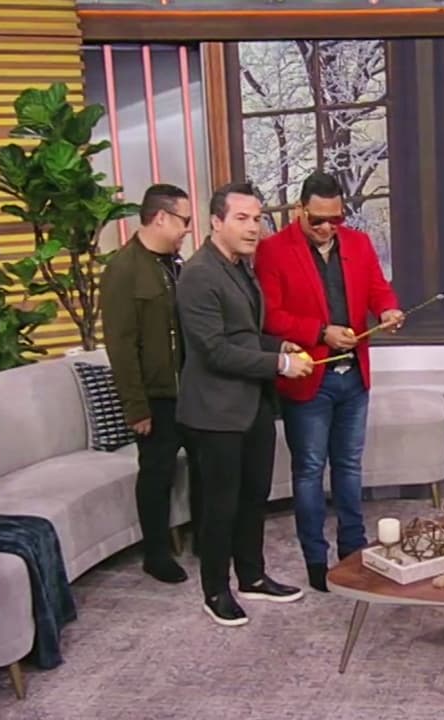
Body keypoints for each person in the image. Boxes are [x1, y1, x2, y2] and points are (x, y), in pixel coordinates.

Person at [255, 172, 403, 593]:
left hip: (354, 376)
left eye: (335, 219)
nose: (326, 228)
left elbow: (378, 289)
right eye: (317, 219)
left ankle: (352, 552)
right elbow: (271, 317)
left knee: (350, 467)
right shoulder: (273, 251)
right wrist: (321, 333)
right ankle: (316, 560)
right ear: (300, 210)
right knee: (309, 471)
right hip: (309, 378)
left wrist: (388, 310)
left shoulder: (358, 243)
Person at [176, 181, 313, 627]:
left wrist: (278, 344)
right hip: (215, 411)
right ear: (216, 222)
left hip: (252, 404)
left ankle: (252, 577)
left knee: (255, 497)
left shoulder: (240, 267)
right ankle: (216, 590)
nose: (254, 227)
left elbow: (244, 334)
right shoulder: (199, 274)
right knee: (221, 506)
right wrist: (280, 363)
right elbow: (214, 350)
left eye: (257, 219)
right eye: (242, 218)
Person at [102, 183, 203, 584]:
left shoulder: (176, 264)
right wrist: (136, 407)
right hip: (157, 398)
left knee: (204, 466)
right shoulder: (124, 269)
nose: (187, 230)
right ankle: (156, 553)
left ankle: (204, 539)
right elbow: (121, 345)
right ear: (160, 217)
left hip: (190, 391)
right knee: (157, 475)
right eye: (184, 221)